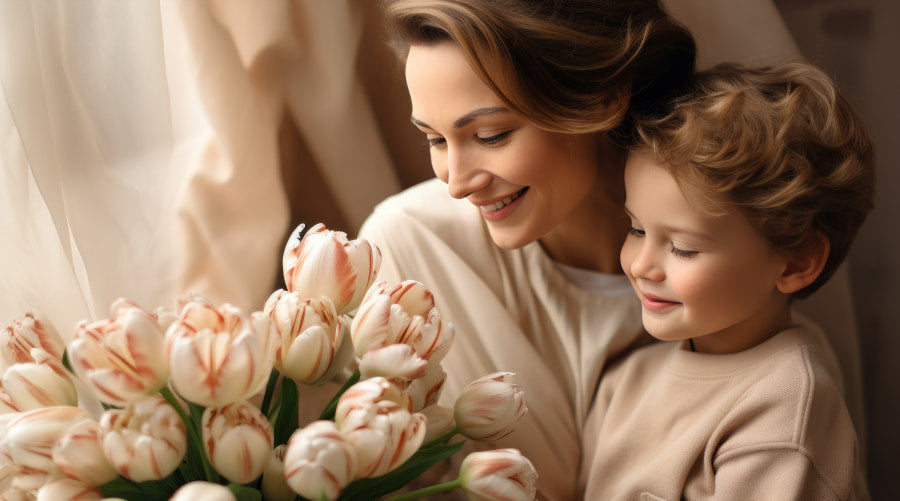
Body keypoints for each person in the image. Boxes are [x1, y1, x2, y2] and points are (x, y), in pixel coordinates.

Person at [356, 1, 696, 498]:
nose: (457, 183)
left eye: (490, 135)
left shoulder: (724, 256)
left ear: (603, 99)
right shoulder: (407, 249)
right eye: (434, 139)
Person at [580, 62, 874, 499]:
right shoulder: (628, 375)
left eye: (683, 248)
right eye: (637, 229)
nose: (642, 265)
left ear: (796, 262)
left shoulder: (783, 419)